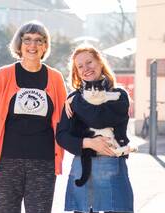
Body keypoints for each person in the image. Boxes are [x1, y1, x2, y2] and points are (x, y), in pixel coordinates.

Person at [0, 20, 67, 213]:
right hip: (6, 164)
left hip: (43, 162)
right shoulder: (4, 75)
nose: (32, 45)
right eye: (27, 40)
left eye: (38, 40)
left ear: (45, 46)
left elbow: (64, 119)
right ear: (19, 44)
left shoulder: (55, 78)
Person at [56, 45, 134, 213]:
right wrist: (88, 142)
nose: (86, 68)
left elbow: (97, 118)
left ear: (100, 63)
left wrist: (76, 100)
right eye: (80, 66)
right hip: (82, 167)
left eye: (89, 62)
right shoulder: (72, 99)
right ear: (76, 72)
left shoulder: (119, 95)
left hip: (112, 166)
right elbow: (62, 136)